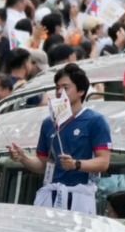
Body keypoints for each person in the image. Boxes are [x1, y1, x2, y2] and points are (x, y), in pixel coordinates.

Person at [7, 63, 111, 215]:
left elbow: (103, 162)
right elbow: (43, 165)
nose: (59, 92)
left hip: (80, 197)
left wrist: (76, 164)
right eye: (57, 88)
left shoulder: (95, 121)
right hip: (52, 195)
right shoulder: (49, 123)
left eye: (65, 87)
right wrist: (23, 158)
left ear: (81, 91)